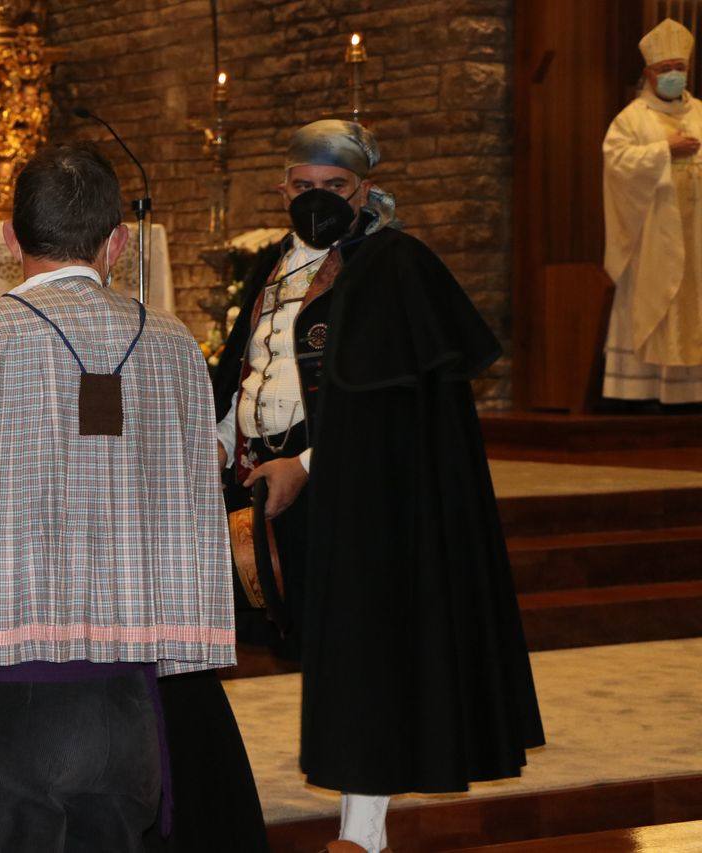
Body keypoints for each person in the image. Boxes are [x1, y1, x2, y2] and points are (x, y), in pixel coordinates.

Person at [0, 144, 239, 852]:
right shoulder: (174, 346)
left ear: (11, 238)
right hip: (127, 694)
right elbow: (195, 496)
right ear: (118, 242)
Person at [212, 119, 545, 853]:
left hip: (354, 491)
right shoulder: (270, 266)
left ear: (363, 189)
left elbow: (391, 407)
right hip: (255, 485)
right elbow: (245, 371)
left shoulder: (394, 265)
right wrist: (213, 444)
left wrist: (305, 467)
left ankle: (363, 834)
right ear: (281, 187)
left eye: (335, 187)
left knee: (360, 654)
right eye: (304, 187)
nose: (318, 200)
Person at [603, 17, 702, 404]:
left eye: (680, 67)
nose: (674, 74)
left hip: (696, 233)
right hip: (652, 234)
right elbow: (616, 163)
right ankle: (642, 390)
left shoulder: (700, 113)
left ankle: (692, 392)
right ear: (649, 73)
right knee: (655, 297)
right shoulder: (632, 119)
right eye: (666, 69)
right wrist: (664, 152)